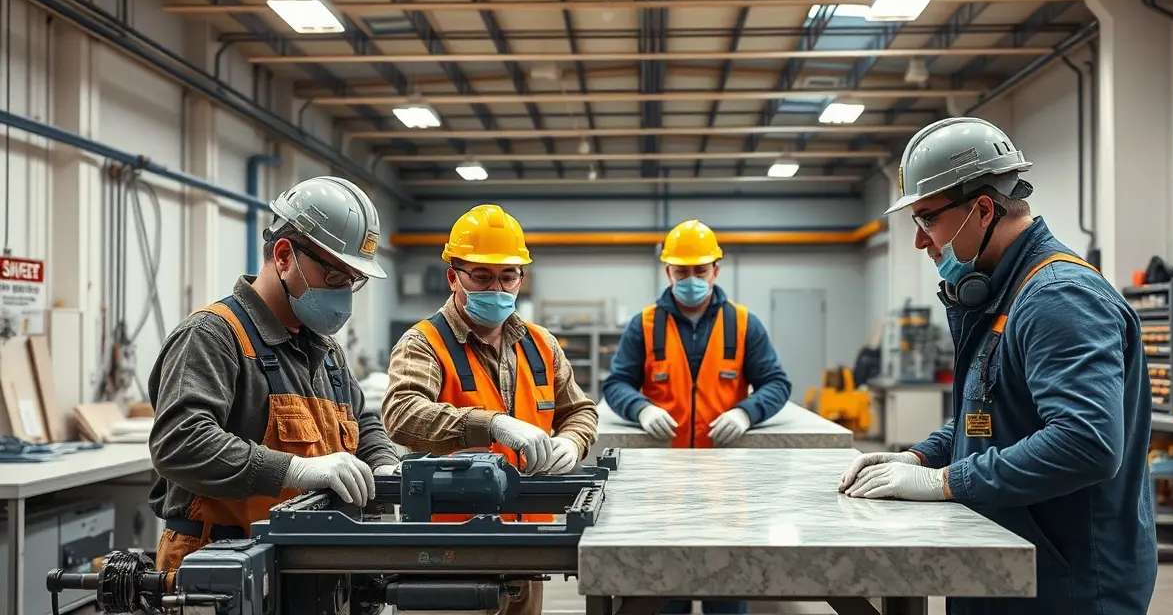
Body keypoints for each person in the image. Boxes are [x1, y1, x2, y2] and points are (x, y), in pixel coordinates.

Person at [838, 117, 1156, 615]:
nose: (921, 241)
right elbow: (990, 409)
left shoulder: (1058, 298)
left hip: (1064, 583)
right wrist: (920, 458)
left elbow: (1086, 443)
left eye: (927, 219)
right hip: (1012, 567)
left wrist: (946, 483)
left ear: (983, 209)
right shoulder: (1005, 292)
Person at [147, 176, 401, 572]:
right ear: (284, 255)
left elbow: (361, 419)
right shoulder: (213, 336)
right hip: (220, 568)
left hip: (304, 568)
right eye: (335, 276)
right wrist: (295, 470)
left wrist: (384, 466)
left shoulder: (324, 348)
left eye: (354, 280)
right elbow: (180, 443)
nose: (344, 293)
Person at [381, 203, 598, 615]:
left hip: (529, 546)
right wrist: (492, 424)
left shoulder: (541, 344)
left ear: (521, 277)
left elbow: (580, 410)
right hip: (448, 551)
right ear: (453, 276)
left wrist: (573, 441)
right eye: (481, 276)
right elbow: (402, 413)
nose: (496, 288)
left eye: (508, 276)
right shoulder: (423, 343)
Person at [604, 219, 792, 454]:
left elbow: (776, 384)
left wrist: (746, 413)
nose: (691, 280)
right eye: (681, 271)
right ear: (668, 272)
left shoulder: (744, 323)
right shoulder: (644, 324)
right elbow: (616, 384)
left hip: (727, 459)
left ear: (716, 270)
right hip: (661, 458)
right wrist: (641, 409)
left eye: (700, 270)